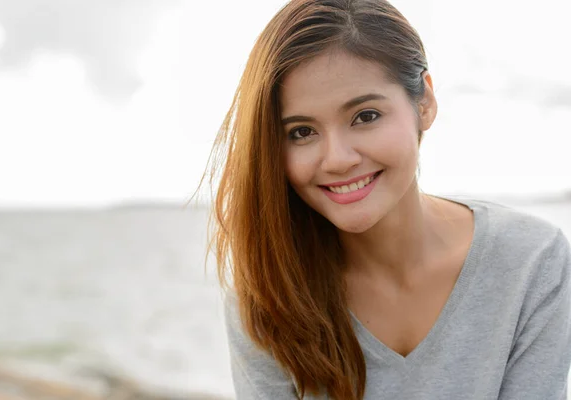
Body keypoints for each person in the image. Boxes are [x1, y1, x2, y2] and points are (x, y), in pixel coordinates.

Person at [201, 0, 571, 398]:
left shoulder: (531, 262)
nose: (338, 159)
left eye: (366, 116)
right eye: (302, 132)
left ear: (424, 103)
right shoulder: (268, 294)